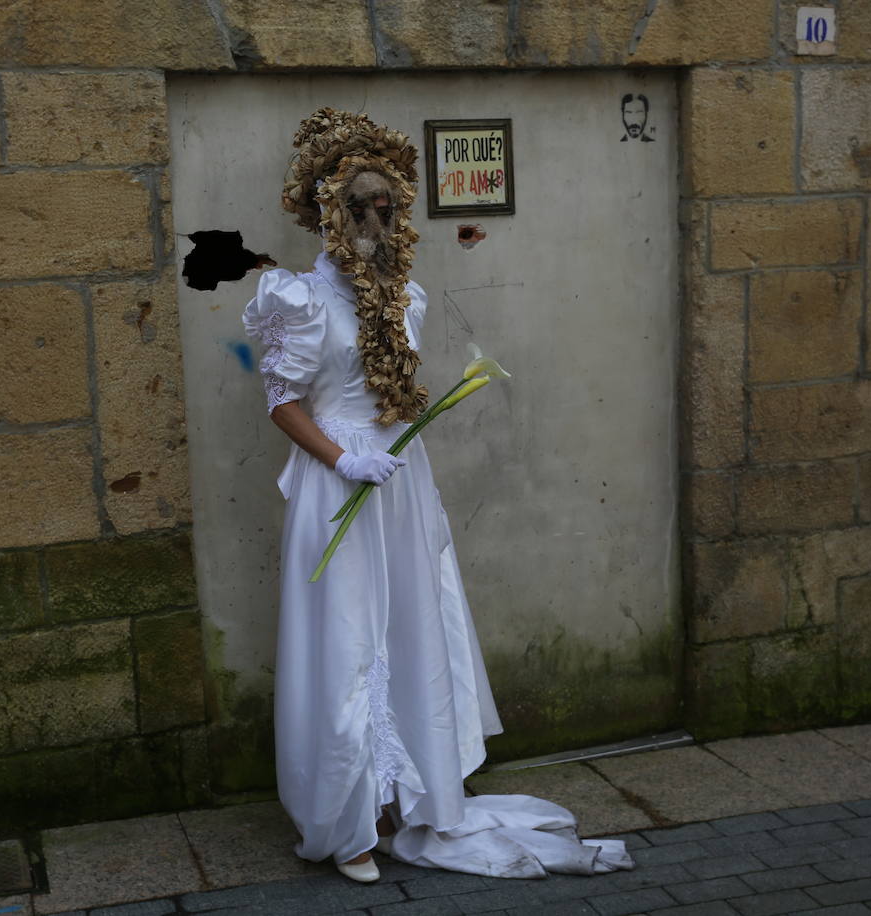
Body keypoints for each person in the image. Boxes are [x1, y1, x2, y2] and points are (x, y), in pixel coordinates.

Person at [242, 108, 633, 884]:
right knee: (348, 637)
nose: (375, 219)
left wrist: (405, 435)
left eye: (386, 205)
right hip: (339, 482)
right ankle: (349, 820)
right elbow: (283, 403)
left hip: (402, 483)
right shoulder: (296, 298)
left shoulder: (408, 297)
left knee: (412, 627)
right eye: (359, 206)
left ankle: (408, 799)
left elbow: (401, 391)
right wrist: (345, 459)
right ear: (329, 210)